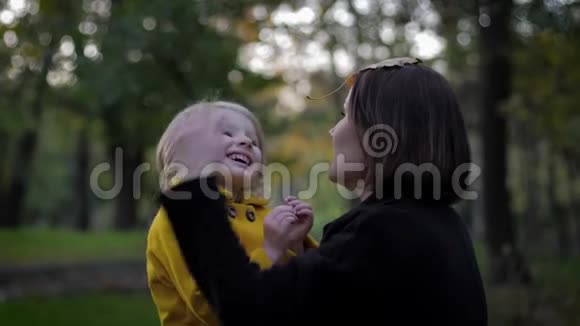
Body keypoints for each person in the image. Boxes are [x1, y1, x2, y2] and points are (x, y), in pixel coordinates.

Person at [158, 59, 488, 325]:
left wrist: (195, 183)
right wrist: (302, 251)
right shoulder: (438, 226)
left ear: (381, 136)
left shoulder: (388, 232)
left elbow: (249, 310)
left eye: (345, 115)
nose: (333, 129)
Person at [146, 101, 317, 326]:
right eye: (227, 133)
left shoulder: (267, 214)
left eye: (254, 142)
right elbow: (211, 308)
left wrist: (296, 246)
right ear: (185, 150)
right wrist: (271, 251)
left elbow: (312, 293)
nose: (246, 142)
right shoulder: (180, 218)